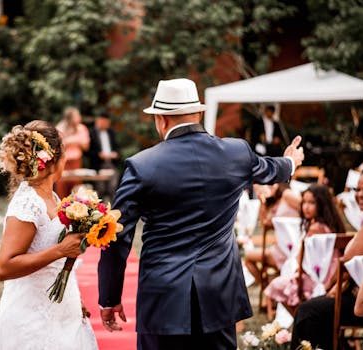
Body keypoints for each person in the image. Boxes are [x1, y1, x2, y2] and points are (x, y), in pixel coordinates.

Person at [97, 78, 304, 350]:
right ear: (199, 113)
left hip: (164, 296)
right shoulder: (236, 152)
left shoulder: (142, 165)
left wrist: (110, 297)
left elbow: (116, 235)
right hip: (219, 295)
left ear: (160, 119)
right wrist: (291, 162)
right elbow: (271, 169)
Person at [0, 120, 97, 350]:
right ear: (52, 159)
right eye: (65, 149)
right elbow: (4, 267)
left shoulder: (53, 198)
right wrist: (60, 250)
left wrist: (72, 297)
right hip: (32, 320)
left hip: (59, 314)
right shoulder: (28, 203)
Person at [291, 170, 363, 349]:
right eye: (358, 189)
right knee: (316, 309)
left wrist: (330, 287)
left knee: (308, 311)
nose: (360, 194)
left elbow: (347, 262)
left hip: (360, 303)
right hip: (356, 294)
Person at [263, 184, 346, 307]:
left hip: (319, 278)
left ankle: (298, 317)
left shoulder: (316, 228)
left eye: (311, 203)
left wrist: (298, 270)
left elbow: (302, 258)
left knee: (276, 286)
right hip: (329, 275)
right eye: (304, 202)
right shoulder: (331, 225)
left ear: (321, 204)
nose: (306, 207)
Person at [244, 183, 301, 283]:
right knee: (249, 257)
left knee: (250, 257)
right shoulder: (272, 203)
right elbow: (264, 225)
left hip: (295, 248)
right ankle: (267, 286)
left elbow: (305, 208)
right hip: (281, 249)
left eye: (272, 184)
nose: (268, 186)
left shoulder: (287, 195)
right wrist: (262, 202)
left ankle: (270, 286)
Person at [55, 107, 90, 198]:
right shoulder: (60, 128)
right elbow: (57, 146)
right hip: (63, 162)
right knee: (61, 188)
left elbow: (86, 145)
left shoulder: (81, 128)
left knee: (76, 190)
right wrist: (73, 141)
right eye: (77, 116)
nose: (79, 118)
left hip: (76, 161)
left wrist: (71, 141)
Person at [87, 111, 120, 200]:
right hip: (98, 165)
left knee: (113, 188)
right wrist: (99, 155)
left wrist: (116, 154)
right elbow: (87, 152)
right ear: (98, 121)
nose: (106, 124)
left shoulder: (111, 132)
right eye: (104, 122)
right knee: (100, 189)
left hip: (111, 163)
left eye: (107, 122)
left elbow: (117, 147)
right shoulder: (91, 133)